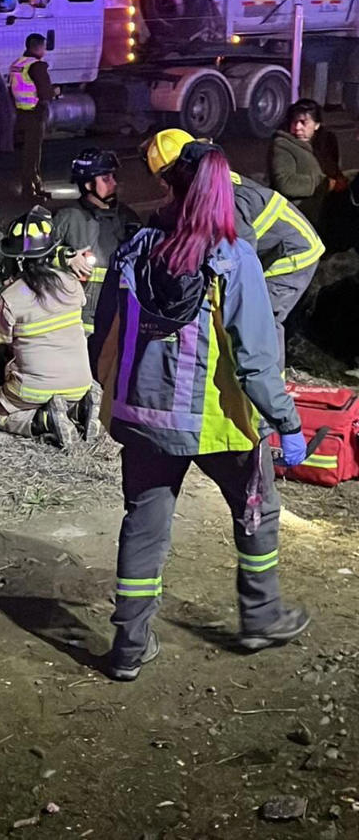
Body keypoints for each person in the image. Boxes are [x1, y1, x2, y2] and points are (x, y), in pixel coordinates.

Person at [89, 142, 310, 682]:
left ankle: (128, 646)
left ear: (170, 186)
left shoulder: (135, 248)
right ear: (219, 193)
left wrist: (114, 392)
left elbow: (105, 333)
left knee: (143, 525)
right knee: (256, 513)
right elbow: (256, 360)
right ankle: (260, 617)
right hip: (219, 422)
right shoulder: (232, 258)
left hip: (143, 419)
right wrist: (287, 421)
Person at [145, 128, 324, 369]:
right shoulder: (204, 184)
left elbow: (241, 255)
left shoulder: (226, 195)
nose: (162, 184)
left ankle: (269, 381)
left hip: (292, 252)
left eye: (166, 175)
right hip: (270, 248)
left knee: (260, 314)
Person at [0, 206, 102, 447]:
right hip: (81, 382)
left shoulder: (9, 298)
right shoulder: (71, 283)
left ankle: (43, 420)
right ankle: (79, 410)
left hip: (33, 391)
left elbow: (0, 343)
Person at [54, 149, 142, 337]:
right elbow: (37, 258)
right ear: (88, 184)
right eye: (106, 178)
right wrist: (66, 257)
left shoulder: (128, 218)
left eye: (113, 177)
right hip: (79, 322)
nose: (114, 183)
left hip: (118, 316)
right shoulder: (68, 217)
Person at [269, 99, 348, 244]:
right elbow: (285, 183)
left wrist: (339, 179)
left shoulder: (327, 141)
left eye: (304, 122)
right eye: (294, 122)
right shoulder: (282, 145)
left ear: (316, 125)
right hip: (301, 219)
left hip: (328, 213)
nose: (297, 127)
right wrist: (322, 183)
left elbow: (334, 169)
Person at [9, 33, 56, 200]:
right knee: (33, 154)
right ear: (39, 47)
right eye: (44, 47)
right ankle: (31, 190)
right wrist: (55, 92)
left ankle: (33, 187)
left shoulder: (17, 64)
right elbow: (46, 92)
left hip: (20, 113)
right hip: (34, 114)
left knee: (26, 153)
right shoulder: (37, 66)